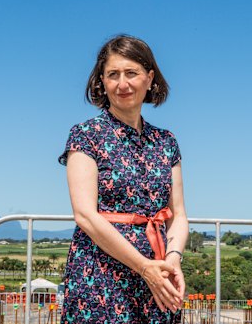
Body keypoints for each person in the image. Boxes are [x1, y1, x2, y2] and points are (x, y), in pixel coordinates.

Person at [58, 35, 189, 323]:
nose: (122, 84)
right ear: (102, 82)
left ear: (150, 78)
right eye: (113, 75)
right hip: (102, 275)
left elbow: (178, 215)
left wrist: (173, 258)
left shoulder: (167, 142)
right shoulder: (86, 135)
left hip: (159, 273)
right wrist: (144, 267)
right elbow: (85, 216)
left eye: (131, 73)